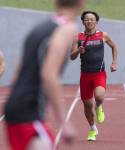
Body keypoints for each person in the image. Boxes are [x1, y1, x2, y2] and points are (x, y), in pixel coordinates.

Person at [4, 0, 85, 150]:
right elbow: (49, 73)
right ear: (81, 3)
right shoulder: (67, 28)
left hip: (15, 106)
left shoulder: (39, 29)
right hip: (28, 109)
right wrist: (63, 122)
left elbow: (18, 72)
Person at [71, 11, 118, 141]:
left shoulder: (103, 35)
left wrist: (114, 62)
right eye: (87, 19)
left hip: (99, 74)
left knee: (99, 96)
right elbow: (71, 56)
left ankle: (99, 106)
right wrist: (77, 51)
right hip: (85, 75)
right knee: (87, 105)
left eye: (92, 19)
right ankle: (92, 129)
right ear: (83, 22)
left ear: (96, 22)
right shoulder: (77, 37)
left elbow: (114, 47)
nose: (89, 21)